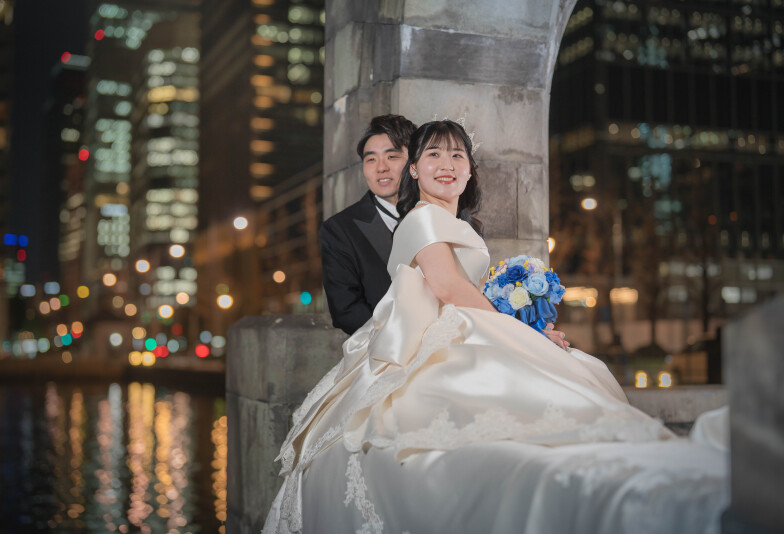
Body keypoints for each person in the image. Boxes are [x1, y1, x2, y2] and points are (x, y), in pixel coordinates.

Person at [263, 121, 728, 534]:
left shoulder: (448, 220)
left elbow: (462, 291)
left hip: (456, 319)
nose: (446, 164)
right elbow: (447, 287)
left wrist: (526, 324)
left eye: (457, 156)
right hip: (432, 327)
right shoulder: (423, 217)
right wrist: (518, 328)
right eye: (433, 155)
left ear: (469, 172)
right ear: (415, 171)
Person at [319, 114, 416, 335]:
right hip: (383, 352)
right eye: (371, 159)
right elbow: (346, 310)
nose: (380, 167)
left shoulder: (438, 213)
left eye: (392, 157)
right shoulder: (339, 230)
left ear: (413, 162)